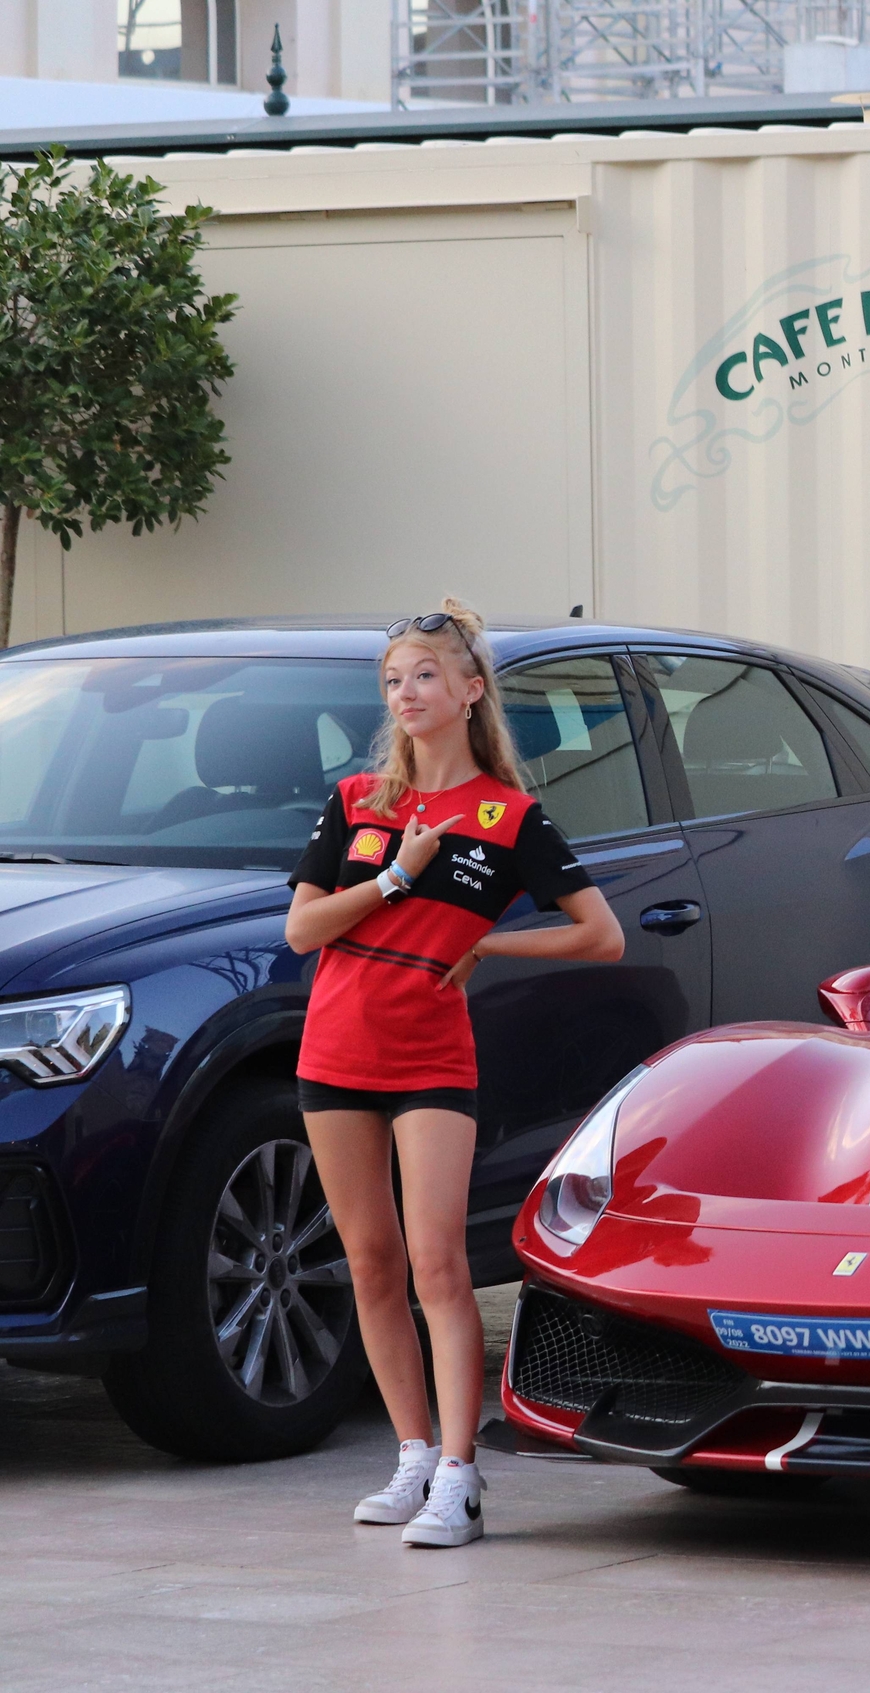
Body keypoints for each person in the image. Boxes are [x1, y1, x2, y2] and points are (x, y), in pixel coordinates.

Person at [284, 600, 623, 1547]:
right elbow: (303, 928)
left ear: (471, 691)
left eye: (425, 676)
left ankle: (462, 1478)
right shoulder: (359, 801)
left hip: (432, 1056)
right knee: (369, 1262)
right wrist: (397, 874)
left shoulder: (508, 816)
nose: (407, 694)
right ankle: (411, 1457)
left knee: (438, 1263)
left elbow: (602, 932)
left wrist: (492, 947)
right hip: (334, 1051)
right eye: (394, 680)